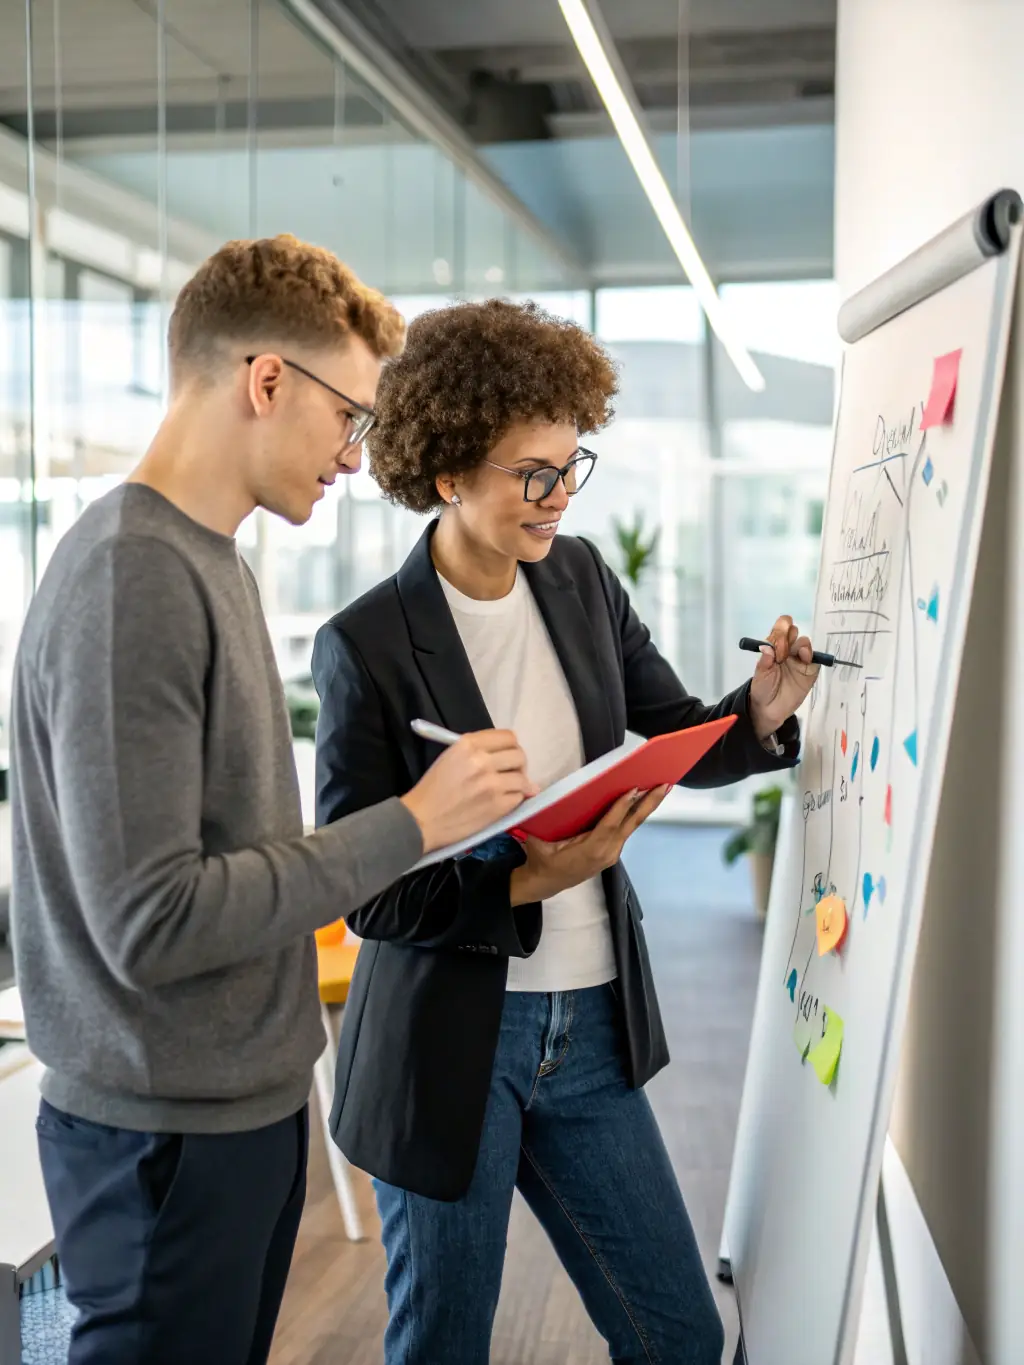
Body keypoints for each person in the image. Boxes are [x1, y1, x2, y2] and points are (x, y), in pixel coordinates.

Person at [9, 238, 534, 1365]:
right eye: (349, 416)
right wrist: (414, 823)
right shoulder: (133, 576)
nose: (355, 455)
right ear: (264, 381)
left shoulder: (213, 561)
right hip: (163, 1138)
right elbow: (153, 921)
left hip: (232, 1113)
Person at [311, 298, 819, 1365]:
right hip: (450, 1044)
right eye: (532, 473)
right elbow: (365, 891)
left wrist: (759, 712)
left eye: (570, 464)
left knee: (679, 1335)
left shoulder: (580, 577)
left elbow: (674, 733)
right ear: (449, 473)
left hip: (588, 1026)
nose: (559, 496)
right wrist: (528, 882)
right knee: (444, 1343)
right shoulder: (367, 644)